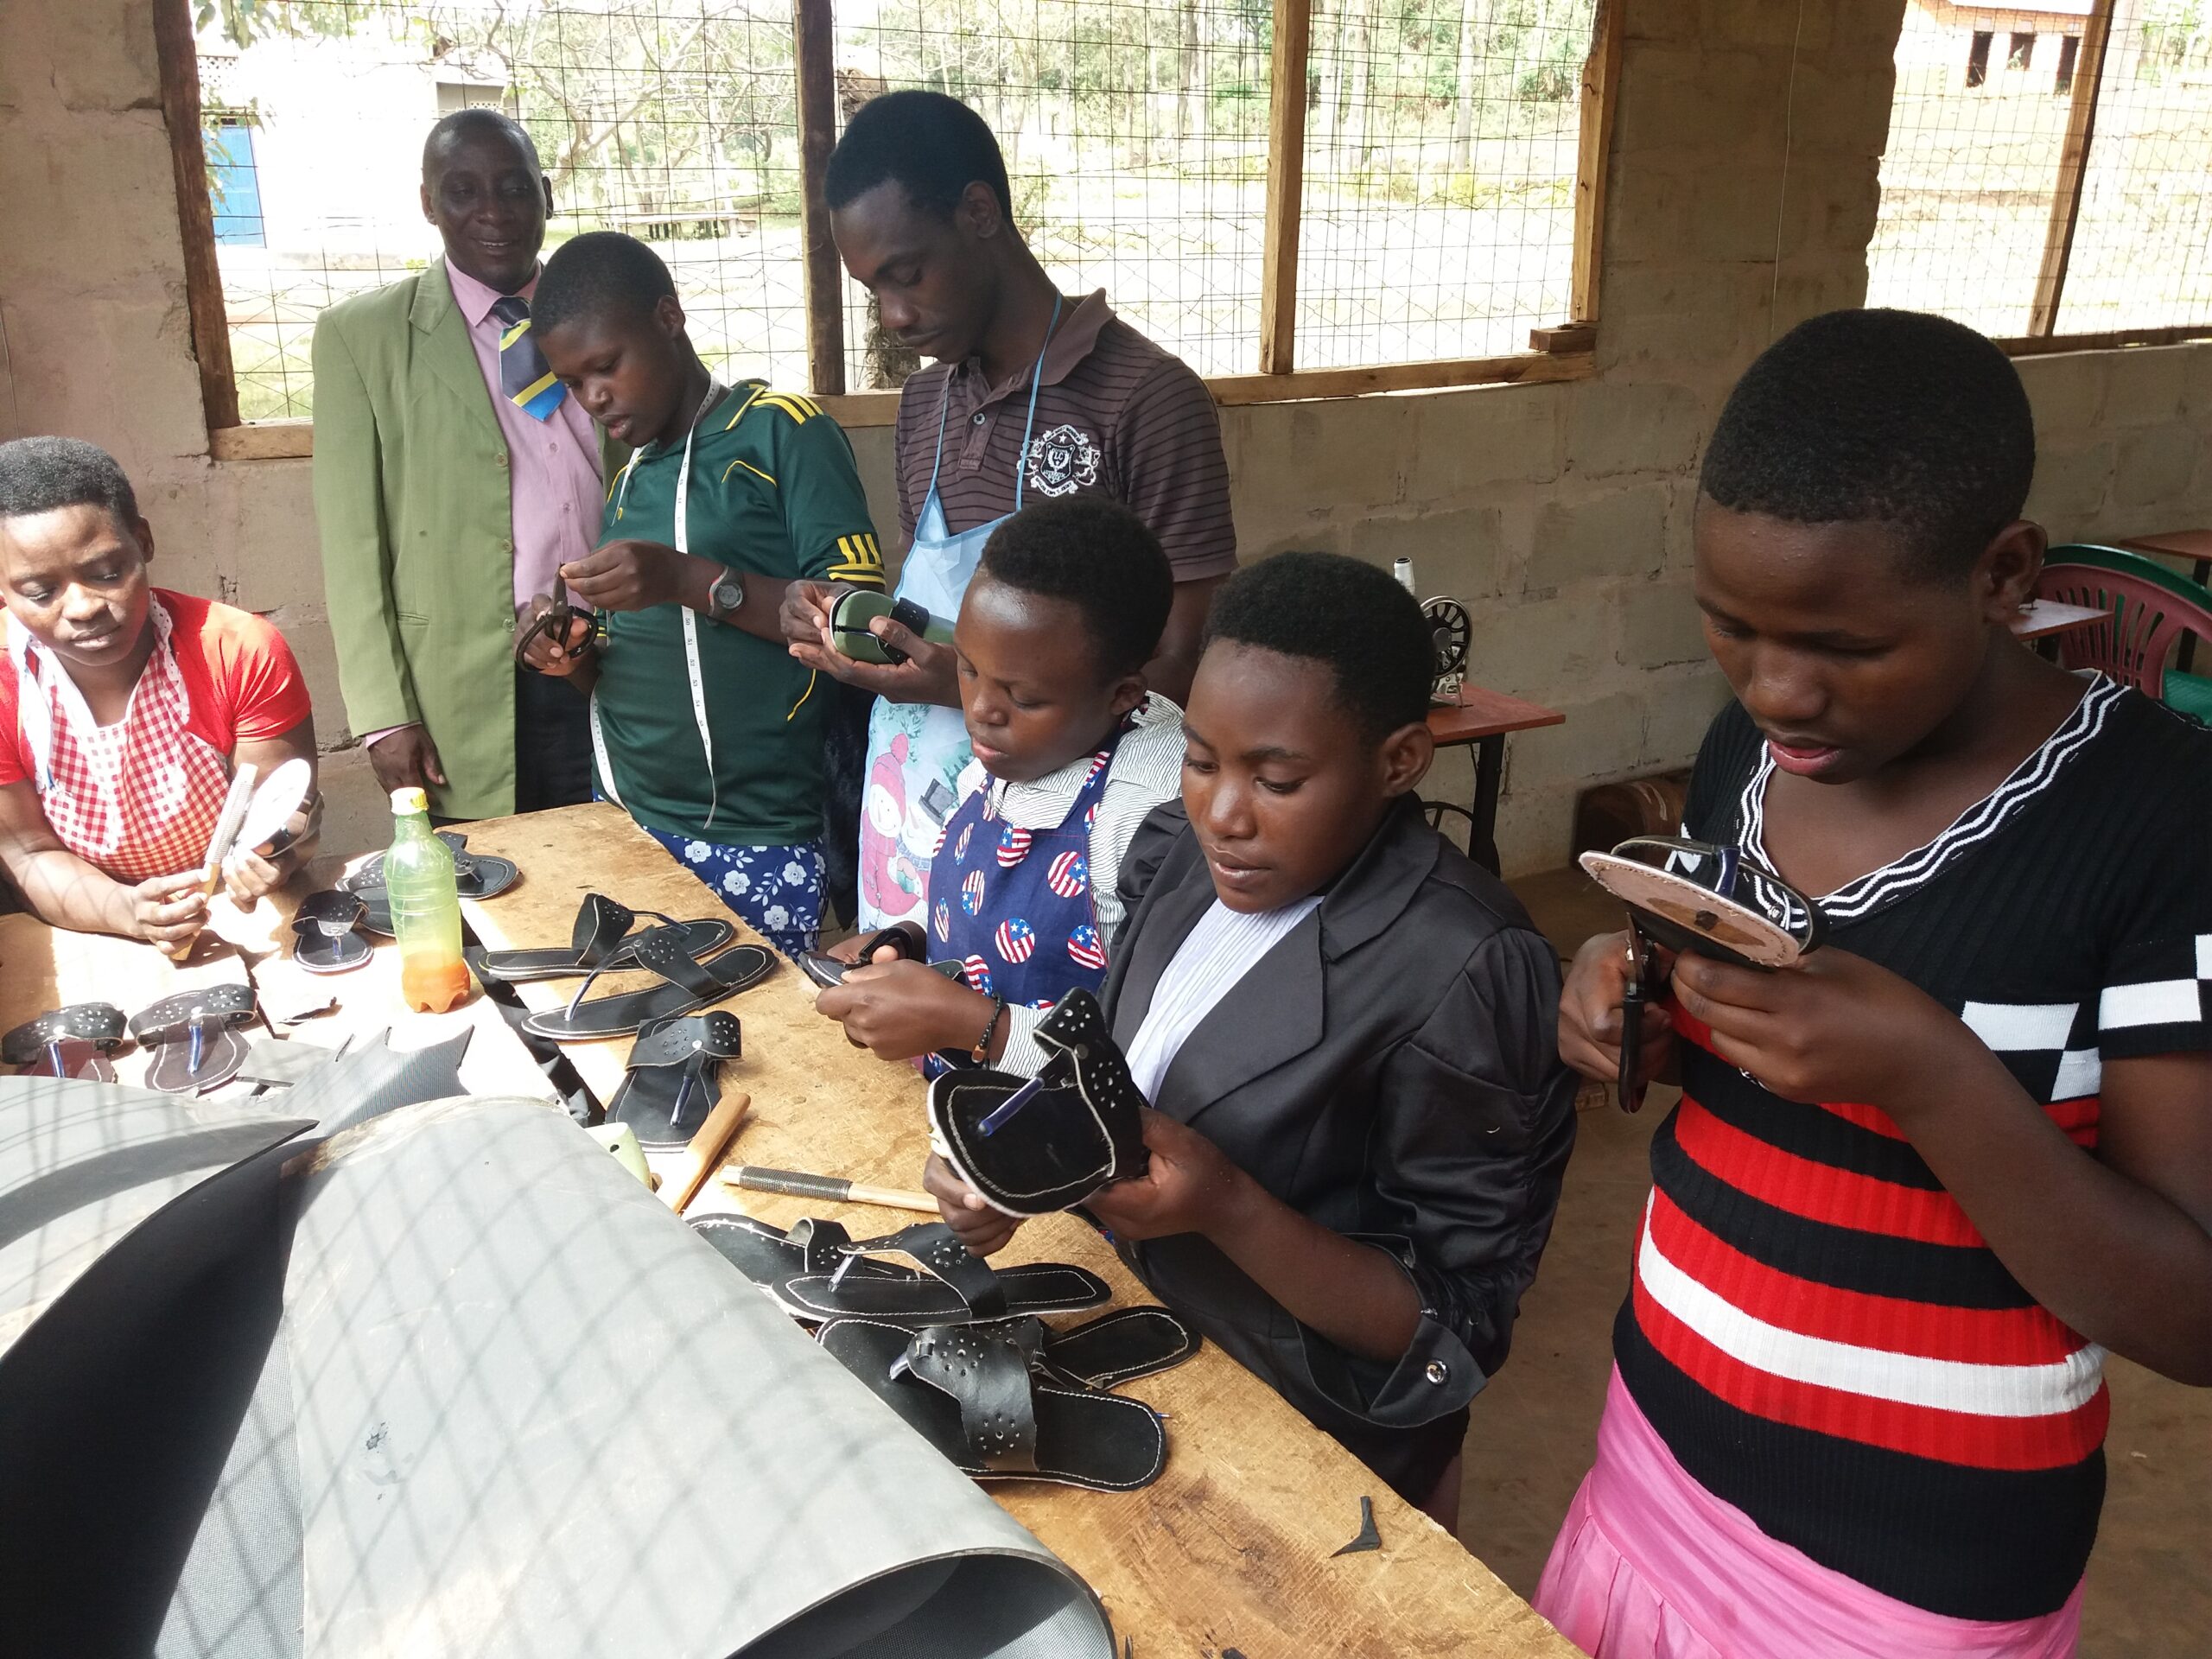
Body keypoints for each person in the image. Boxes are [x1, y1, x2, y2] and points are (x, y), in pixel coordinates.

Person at [1536, 310, 2212, 1659]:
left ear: (2003, 574)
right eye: (1731, 629)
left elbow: (2191, 1308)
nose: (1782, 692)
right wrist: (1642, 1011)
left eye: (1846, 649)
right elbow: (1737, 1030)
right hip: (1659, 1448)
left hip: (1917, 1569)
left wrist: (1929, 1075)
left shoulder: (2161, 824)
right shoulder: (1750, 754)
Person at [924, 551, 1579, 1525]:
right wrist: (1018, 1172)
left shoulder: (1465, 970)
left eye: (1277, 778)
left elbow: (1455, 1321)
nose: (1223, 813)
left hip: (1304, 1438)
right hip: (1148, 1350)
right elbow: (1114, 1062)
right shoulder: (1191, 859)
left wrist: (1230, 1208)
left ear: (1398, 762)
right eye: (1199, 758)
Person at [782, 89, 1237, 931]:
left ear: (979, 212)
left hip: (1058, 849)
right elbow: (930, 614)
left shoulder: (1144, 398)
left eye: (906, 273)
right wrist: (838, 616)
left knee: (1016, 1048)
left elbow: (1178, 665)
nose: (894, 316)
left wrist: (966, 685)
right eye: (871, 290)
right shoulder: (923, 409)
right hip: (911, 820)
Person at [521, 232, 887, 958]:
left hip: (753, 833)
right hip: (626, 816)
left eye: (605, 366)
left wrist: (684, 578)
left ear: (668, 317)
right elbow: (631, 664)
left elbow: (859, 628)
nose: (592, 397)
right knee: (643, 1041)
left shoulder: (781, 431)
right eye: (571, 381)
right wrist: (574, 657)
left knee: (751, 1049)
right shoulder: (629, 482)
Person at [314, 108, 619, 821]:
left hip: (614, 659)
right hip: (465, 683)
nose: (494, 213)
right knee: (489, 891)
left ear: (546, 193)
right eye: (463, 191)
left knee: (622, 876)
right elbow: (353, 546)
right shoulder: (364, 338)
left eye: (515, 189)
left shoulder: (607, 312)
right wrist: (384, 715)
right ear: (428, 203)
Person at [817, 494, 1184, 1066]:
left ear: (1122, 696)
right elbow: (979, 902)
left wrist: (980, 1028)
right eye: (967, 668)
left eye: (1022, 696)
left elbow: (1157, 1046)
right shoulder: (1008, 758)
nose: (981, 710)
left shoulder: (1149, 818)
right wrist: (909, 942)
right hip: (962, 1108)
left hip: (1068, 1135)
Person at [0, 437, 319, 952]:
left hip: (246, 913)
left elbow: (286, 805)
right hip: (93, 928)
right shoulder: (6, 683)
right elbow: (29, 854)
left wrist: (275, 849)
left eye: (107, 574)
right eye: (40, 592)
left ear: (144, 543)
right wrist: (126, 912)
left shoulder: (235, 647)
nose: (82, 607)